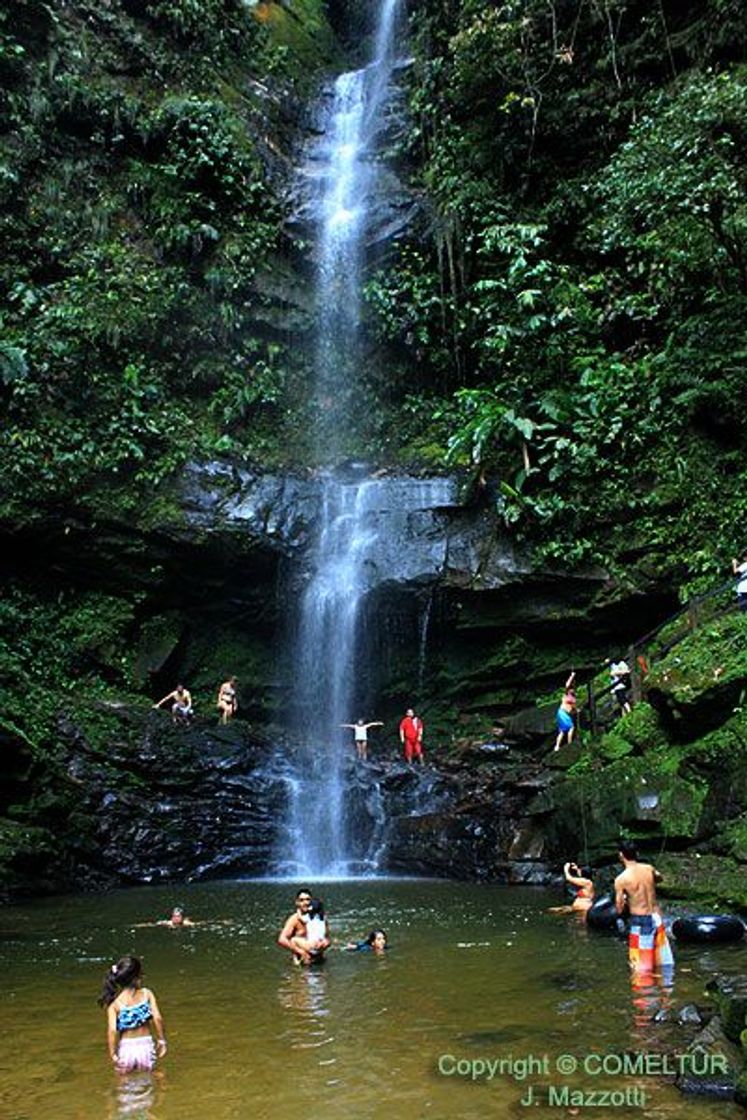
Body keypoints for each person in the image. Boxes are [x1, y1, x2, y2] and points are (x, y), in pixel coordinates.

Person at [98, 956, 167, 1072]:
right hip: (146, 1046)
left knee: (124, 1082)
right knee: (152, 1074)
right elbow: (158, 1018)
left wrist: (112, 1053)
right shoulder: (147, 994)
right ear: (137, 977)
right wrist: (162, 1041)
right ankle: (163, 1088)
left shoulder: (114, 1005)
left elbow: (112, 1030)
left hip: (126, 1048)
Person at [614, 842, 674, 973]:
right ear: (637, 853)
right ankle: (665, 989)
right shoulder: (649, 868)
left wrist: (626, 899)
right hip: (657, 917)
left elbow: (619, 909)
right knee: (663, 963)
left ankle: (646, 993)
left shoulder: (621, 879)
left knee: (641, 968)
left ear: (621, 855)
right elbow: (660, 878)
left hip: (640, 921)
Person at [277, 888, 330, 966]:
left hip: (319, 960)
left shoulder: (321, 919)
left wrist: (324, 943)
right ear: (297, 903)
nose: (305, 903)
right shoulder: (294, 919)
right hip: (302, 961)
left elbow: (327, 937)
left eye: (308, 900)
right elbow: (282, 939)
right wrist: (300, 952)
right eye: (301, 900)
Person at [554, 671, 577, 751]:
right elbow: (567, 684)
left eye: (573, 689)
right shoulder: (566, 694)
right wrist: (572, 676)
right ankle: (568, 744)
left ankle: (557, 746)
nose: (572, 690)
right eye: (571, 689)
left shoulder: (574, 698)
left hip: (567, 714)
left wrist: (576, 711)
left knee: (563, 731)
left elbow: (573, 710)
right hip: (562, 712)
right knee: (570, 727)